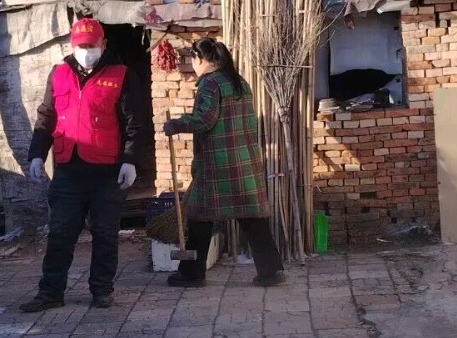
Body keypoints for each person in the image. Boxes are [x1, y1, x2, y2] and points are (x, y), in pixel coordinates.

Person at [21, 18, 141, 312]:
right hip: (68, 168)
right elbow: (46, 117)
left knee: (105, 233)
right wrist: (37, 154)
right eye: (81, 46)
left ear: (103, 44)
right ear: (72, 45)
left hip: (107, 170)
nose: (86, 51)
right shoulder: (59, 74)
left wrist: (130, 160)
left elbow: (135, 124)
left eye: (92, 46)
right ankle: (50, 292)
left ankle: (102, 290)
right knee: (60, 232)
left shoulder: (121, 75)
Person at [162, 38, 284, 288]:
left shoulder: (210, 83)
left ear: (199, 58)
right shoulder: (240, 82)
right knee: (252, 217)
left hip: (217, 165)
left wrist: (176, 124)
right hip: (244, 163)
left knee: (199, 217)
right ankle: (271, 272)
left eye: (192, 60)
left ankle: (192, 273)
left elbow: (205, 119)